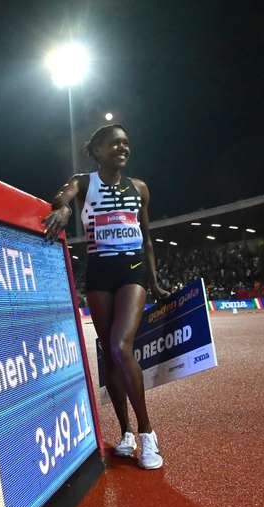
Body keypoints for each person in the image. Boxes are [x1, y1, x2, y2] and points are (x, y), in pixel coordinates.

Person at [43, 124, 169, 469]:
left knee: (120, 346)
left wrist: (155, 282)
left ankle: (147, 433)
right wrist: (65, 210)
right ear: (97, 150)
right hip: (99, 272)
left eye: (126, 143)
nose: (123, 148)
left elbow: (147, 237)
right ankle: (125, 432)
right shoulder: (83, 182)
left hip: (133, 271)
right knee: (109, 356)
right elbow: (60, 197)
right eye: (114, 144)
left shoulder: (139, 188)